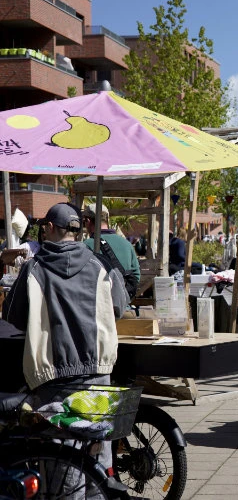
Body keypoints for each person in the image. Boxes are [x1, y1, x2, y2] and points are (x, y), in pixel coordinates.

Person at [2, 203, 128, 475]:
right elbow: (120, 306)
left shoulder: (34, 269)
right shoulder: (101, 265)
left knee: (62, 461)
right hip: (98, 373)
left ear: (48, 229)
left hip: (53, 376)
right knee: (98, 458)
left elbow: (12, 314)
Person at [83, 203, 140, 299]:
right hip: (123, 306)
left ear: (88, 221)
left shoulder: (86, 245)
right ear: (107, 219)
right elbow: (136, 276)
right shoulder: (127, 244)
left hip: (98, 306)